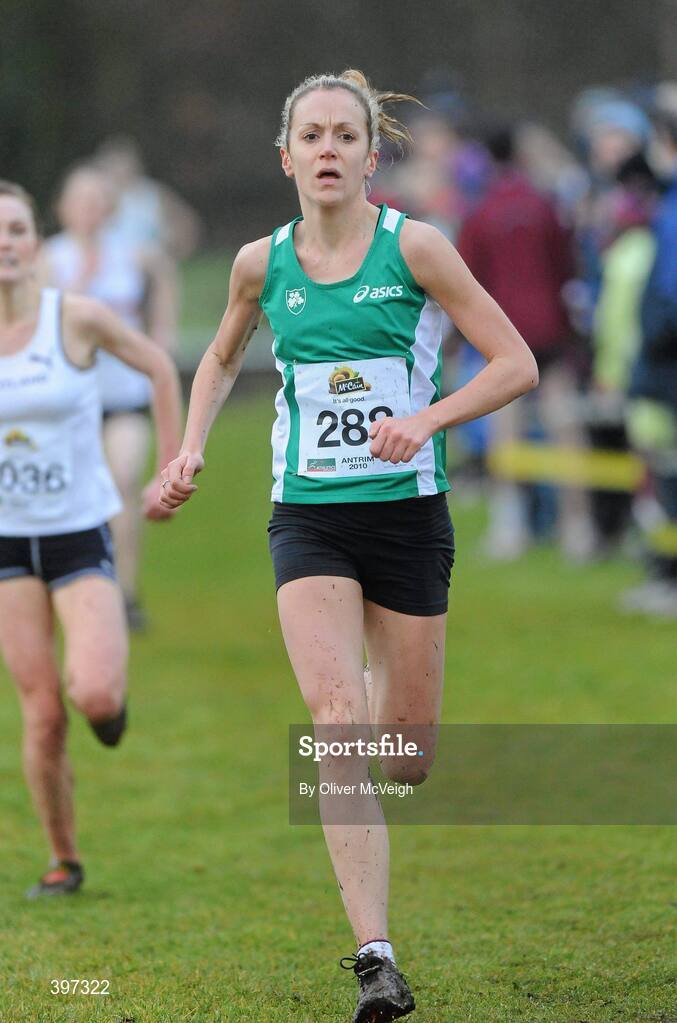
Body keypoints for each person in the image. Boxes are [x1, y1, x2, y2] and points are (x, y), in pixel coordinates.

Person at [160, 70, 537, 1023]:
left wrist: (429, 418)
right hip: (310, 514)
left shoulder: (417, 248)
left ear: (372, 155)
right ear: (285, 156)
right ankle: (375, 957)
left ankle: (378, 714)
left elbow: (515, 362)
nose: (328, 150)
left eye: (345, 136)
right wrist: (192, 445)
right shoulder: (260, 263)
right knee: (335, 718)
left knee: (402, 753)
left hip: (408, 514)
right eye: (311, 136)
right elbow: (218, 354)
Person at [0, 180, 182, 897]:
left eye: (15, 229)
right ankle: (63, 856)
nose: (3, 243)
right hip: (7, 547)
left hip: (78, 536)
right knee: (41, 714)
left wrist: (172, 464)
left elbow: (160, 367)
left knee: (96, 697)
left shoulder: (73, 318)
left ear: (35, 244)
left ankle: (107, 705)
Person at [45, 164, 177, 629]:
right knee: (71, 496)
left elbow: (166, 284)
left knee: (122, 481)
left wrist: (161, 339)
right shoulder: (49, 258)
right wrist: (78, 281)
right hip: (66, 404)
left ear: (110, 209)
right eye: (80, 201)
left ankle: (125, 592)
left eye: (98, 201)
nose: (89, 210)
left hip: (125, 396)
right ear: (63, 208)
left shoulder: (134, 254)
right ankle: (70, 586)